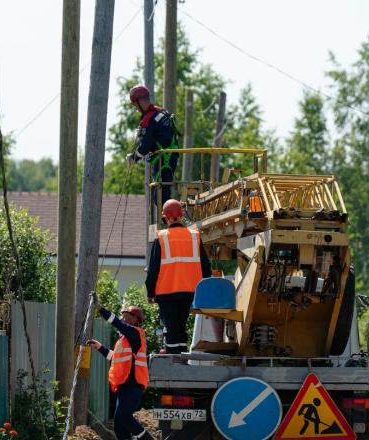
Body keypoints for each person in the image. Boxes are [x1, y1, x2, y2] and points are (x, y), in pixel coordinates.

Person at [146, 199, 212, 354]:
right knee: (181, 327)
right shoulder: (194, 236)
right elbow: (206, 266)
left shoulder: (161, 237)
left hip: (166, 292)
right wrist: (204, 289)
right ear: (182, 216)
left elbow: (153, 270)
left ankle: (174, 359)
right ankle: (181, 357)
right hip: (190, 292)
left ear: (166, 218)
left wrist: (150, 292)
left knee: (171, 329)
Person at [88, 303, 153, 440]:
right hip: (124, 384)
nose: (123, 319)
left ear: (136, 320)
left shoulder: (135, 333)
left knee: (124, 417)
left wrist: (101, 309)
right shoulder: (124, 340)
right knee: (119, 424)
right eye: (122, 316)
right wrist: (99, 347)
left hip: (134, 383)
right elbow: (115, 357)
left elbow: (117, 323)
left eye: (126, 317)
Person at [125, 84, 180, 207]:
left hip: (163, 160)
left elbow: (145, 145)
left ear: (140, 101)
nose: (136, 109)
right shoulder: (161, 111)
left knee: (160, 197)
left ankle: (176, 220)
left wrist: (134, 157)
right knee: (162, 194)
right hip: (172, 157)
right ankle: (175, 218)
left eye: (135, 105)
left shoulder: (148, 119)